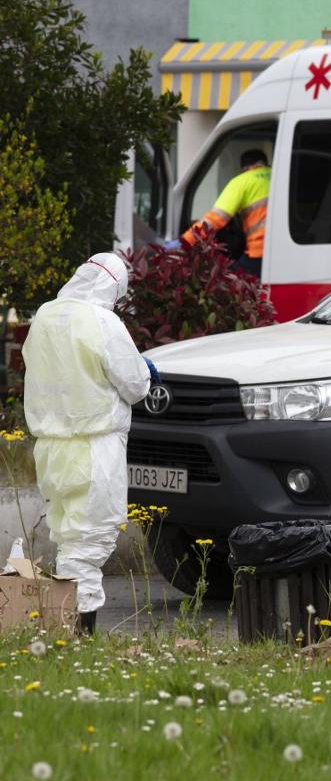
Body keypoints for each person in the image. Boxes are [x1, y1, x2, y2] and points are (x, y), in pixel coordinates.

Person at [22, 253, 158, 634]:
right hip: (94, 448)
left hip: (50, 449)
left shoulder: (45, 316)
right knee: (91, 543)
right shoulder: (103, 320)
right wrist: (146, 374)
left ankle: (66, 632)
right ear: (113, 287)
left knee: (69, 540)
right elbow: (134, 386)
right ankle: (81, 635)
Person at [170, 149, 270, 277]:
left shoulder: (241, 181)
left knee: (227, 280)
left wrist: (184, 242)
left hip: (261, 251)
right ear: (265, 163)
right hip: (287, 249)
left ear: (245, 169)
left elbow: (216, 219)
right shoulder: (282, 176)